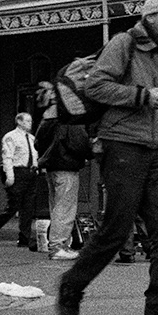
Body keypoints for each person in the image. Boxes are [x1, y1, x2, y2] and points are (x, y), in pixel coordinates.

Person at [54, 0, 158, 315]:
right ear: (152, 16)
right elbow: (96, 87)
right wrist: (143, 96)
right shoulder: (124, 44)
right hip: (123, 146)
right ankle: (72, 285)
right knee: (117, 230)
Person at [34, 81, 94, 260]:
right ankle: (58, 246)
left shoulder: (47, 117)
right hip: (67, 166)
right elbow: (79, 142)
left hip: (51, 167)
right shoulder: (69, 116)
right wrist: (90, 151)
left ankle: (58, 244)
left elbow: (37, 142)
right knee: (65, 208)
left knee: (56, 206)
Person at [0, 112, 40, 248]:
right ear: (19, 122)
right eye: (27, 121)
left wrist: (36, 168)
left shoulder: (32, 139)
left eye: (30, 121)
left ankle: (24, 238)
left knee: (28, 207)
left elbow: (35, 155)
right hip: (17, 172)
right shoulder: (11, 137)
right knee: (13, 205)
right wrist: (10, 175)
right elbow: (7, 157)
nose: (30, 123)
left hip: (30, 173)